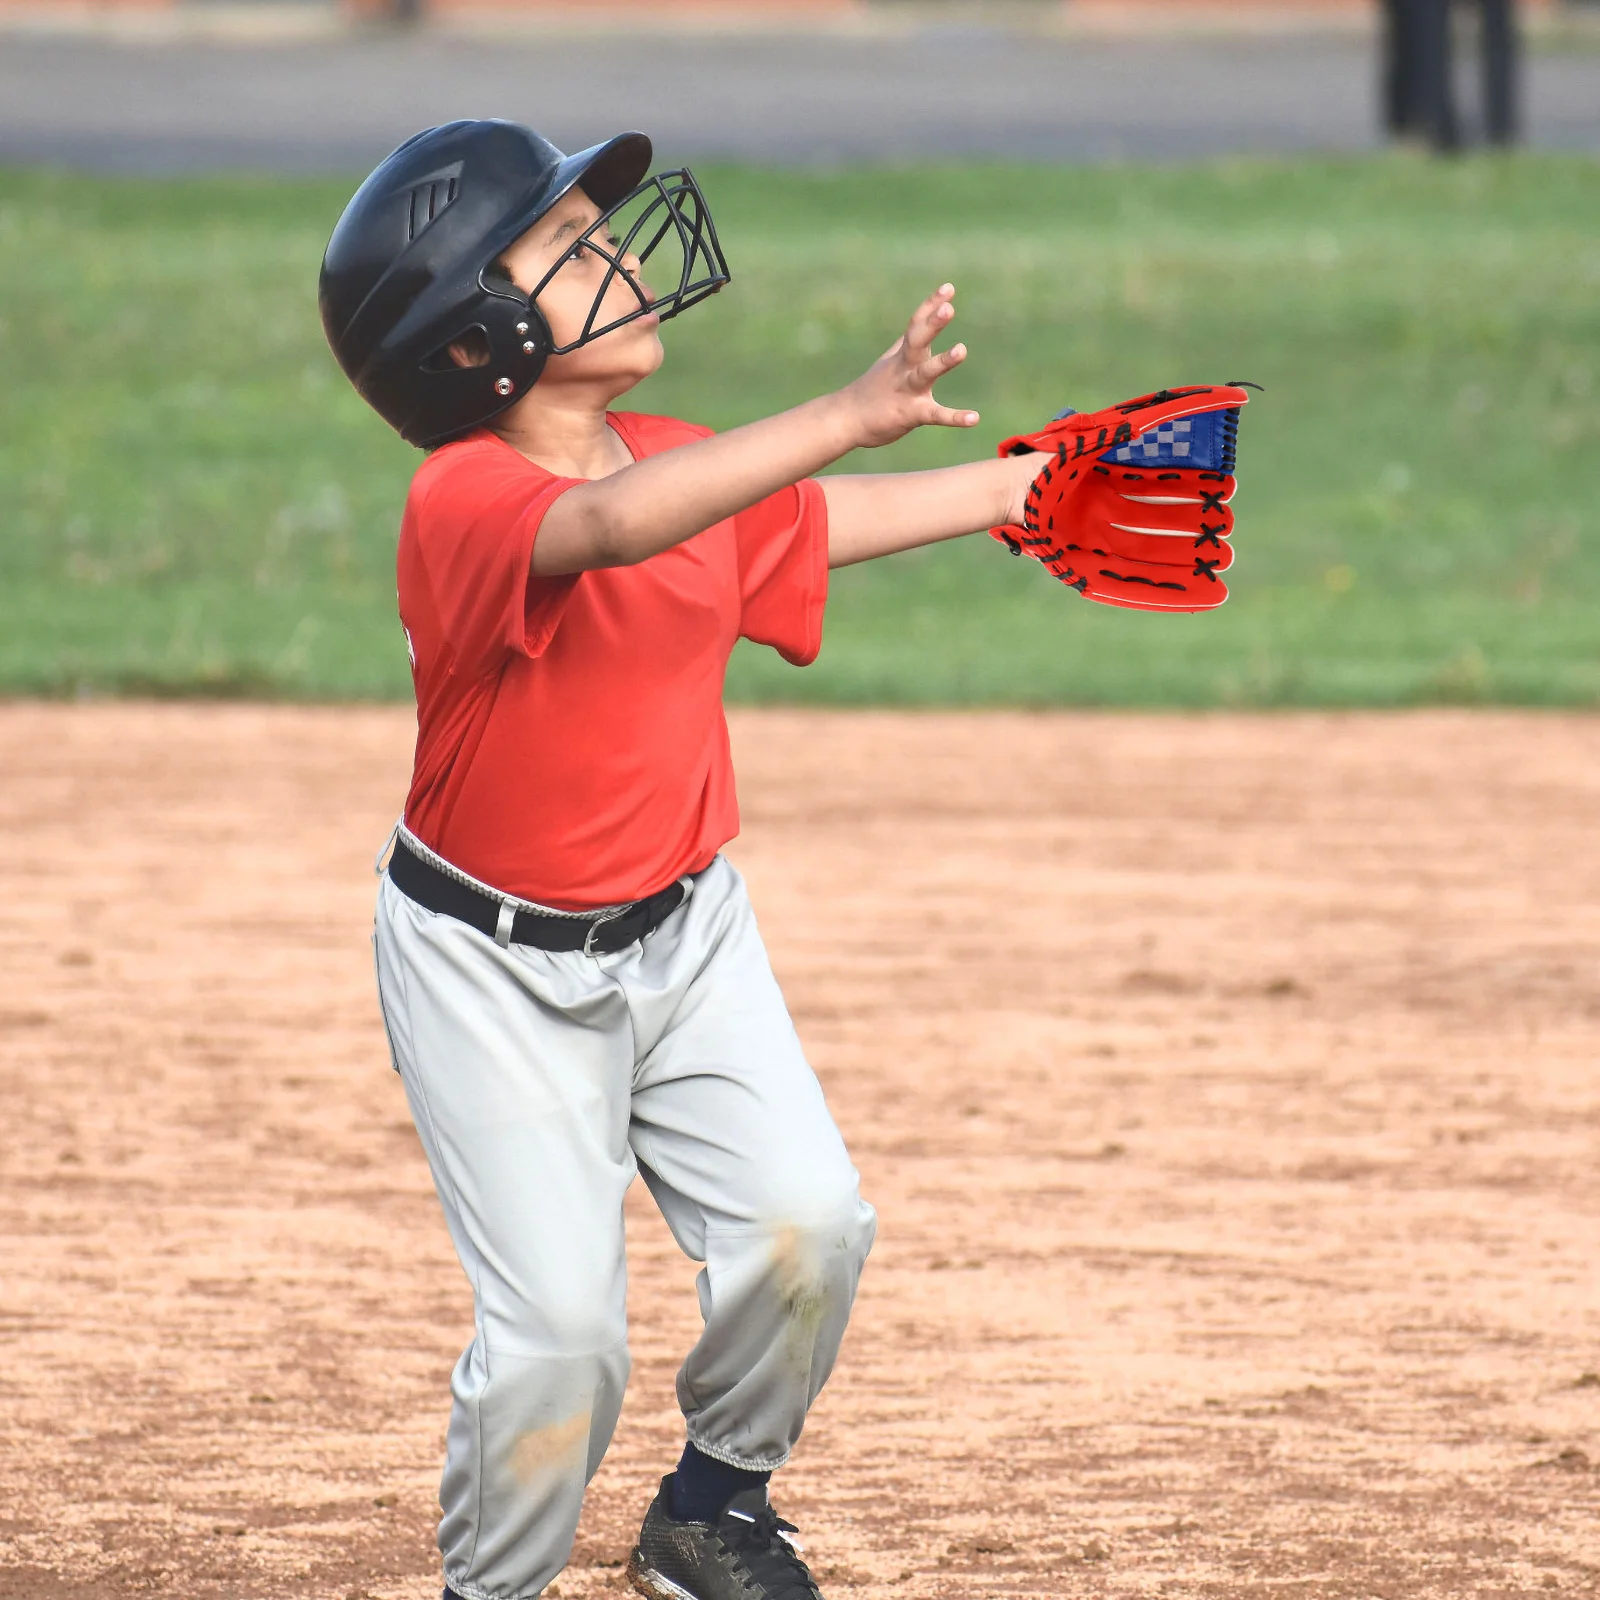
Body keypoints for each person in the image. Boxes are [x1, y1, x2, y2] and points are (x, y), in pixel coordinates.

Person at [319, 119, 1039, 1600]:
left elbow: (790, 522)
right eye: (570, 252)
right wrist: (844, 409)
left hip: (686, 929)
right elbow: (606, 524)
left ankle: (714, 1506)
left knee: (808, 1228)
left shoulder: (681, 464)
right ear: (474, 345)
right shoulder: (461, 503)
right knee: (557, 1348)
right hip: (489, 970)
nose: (621, 261)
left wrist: (1018, 489)